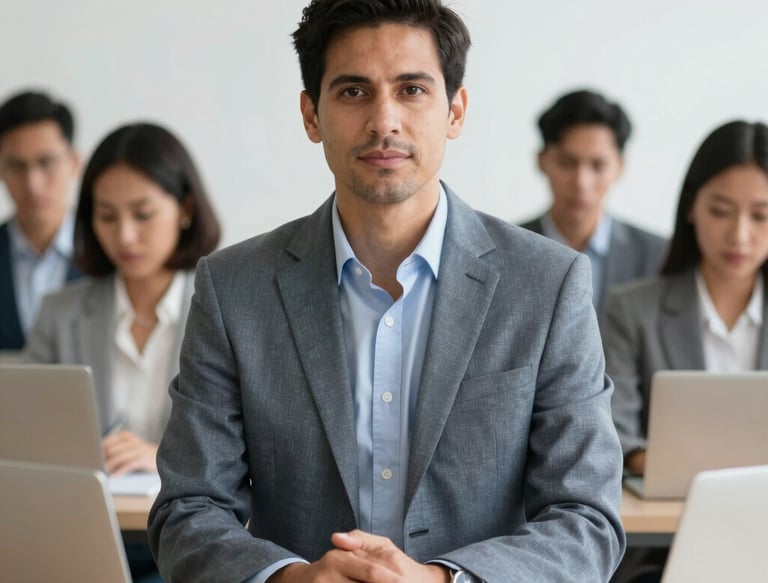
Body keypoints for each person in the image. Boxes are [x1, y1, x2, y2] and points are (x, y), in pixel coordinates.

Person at [149, 2, 625, 582]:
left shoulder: (548, 285)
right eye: (353, 92)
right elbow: (188, 507)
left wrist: (441, 580)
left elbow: (587, 518)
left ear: (455, 110)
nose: (384, 121)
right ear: (311, 114)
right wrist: (288, 579)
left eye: (412, 90)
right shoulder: (234, 288)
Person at [24, 122, 220, 583]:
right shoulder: (59, 313)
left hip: (188, 541)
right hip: (78, 536)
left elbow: (255, 451)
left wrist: (158, 455)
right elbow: (26, 437)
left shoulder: (226, 308)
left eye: (143, 213)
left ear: (185, 209)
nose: (126, 236)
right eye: (107, 217)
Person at [603, 120, 768, 583]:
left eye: (761, 215)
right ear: (692, 206)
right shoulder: (632, 308)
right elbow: (612, 431)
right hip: (665, 543)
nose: (739, 235)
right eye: (721, 210)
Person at [521, 89, 666, 313]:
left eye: (598, 166)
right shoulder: (506, 247)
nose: (581, 182)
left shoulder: (656, 256)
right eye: (567, 163)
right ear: (541, 161)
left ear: (619, 167)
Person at [0, 90, 83, 349]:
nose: (32, 184)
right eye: (17, 166)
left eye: (46, 162)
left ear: (74, 162)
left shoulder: (110, 252)